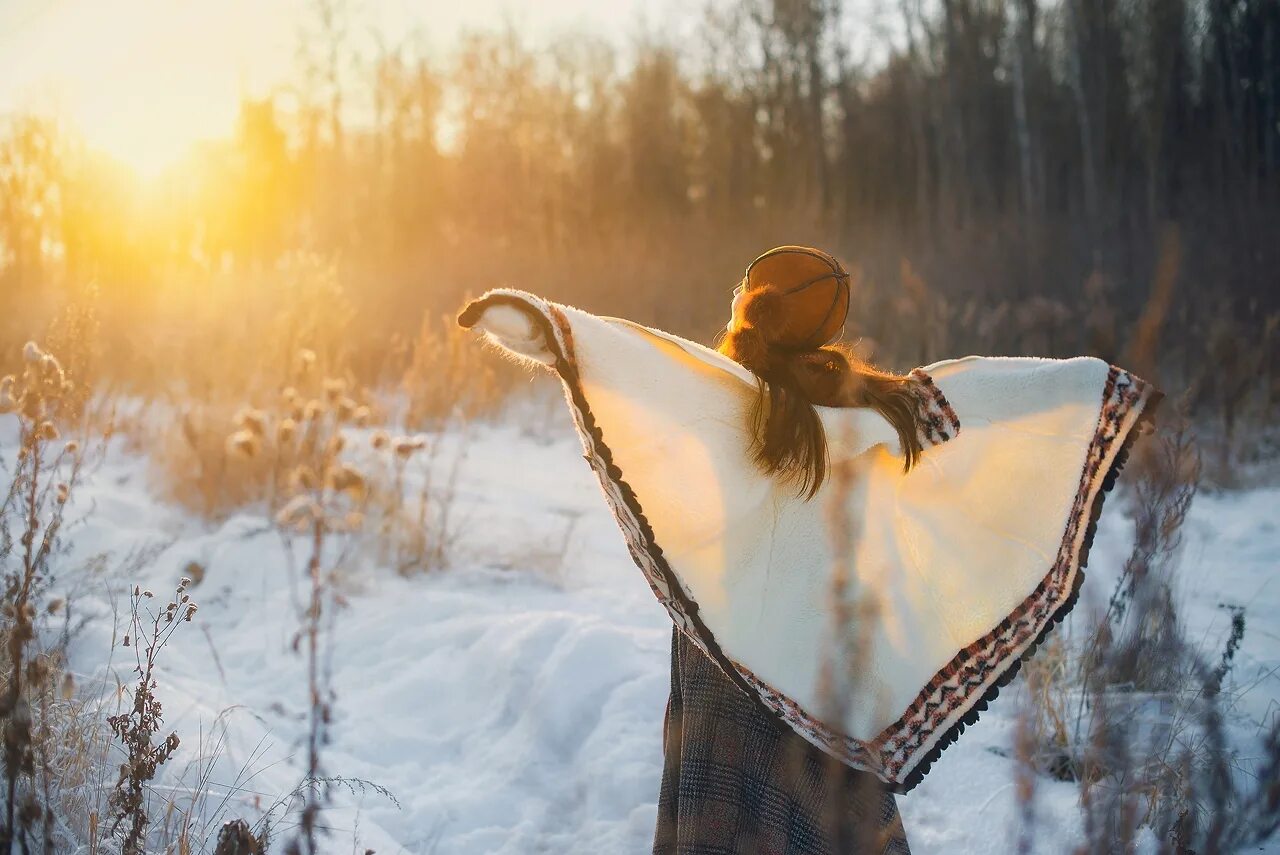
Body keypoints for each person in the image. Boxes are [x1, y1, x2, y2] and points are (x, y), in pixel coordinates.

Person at [651, 246, 914, 855]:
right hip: (826, 653)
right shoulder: (878, 405)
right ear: (831, 323)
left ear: (747, 305)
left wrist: (544, 330)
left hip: (723, 650)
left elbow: (619, 365)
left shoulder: (713, 402)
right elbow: (978, 408)